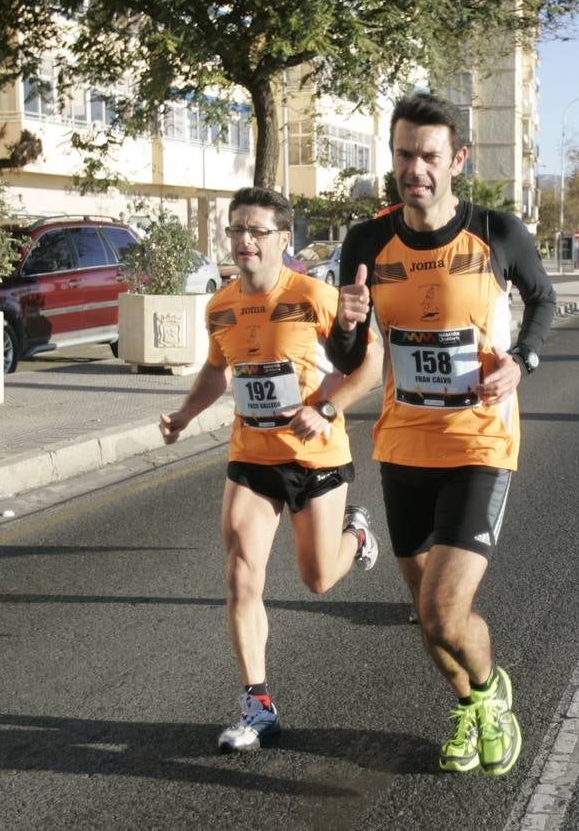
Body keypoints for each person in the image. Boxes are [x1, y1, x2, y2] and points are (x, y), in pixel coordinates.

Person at [328, 92, 556, 777]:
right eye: (404, 155)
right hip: (403, 446)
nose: (414, 169)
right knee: (427, 616)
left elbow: (543, 299)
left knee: (444, 611)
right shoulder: (366, 242)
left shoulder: (496, 231)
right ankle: (468, 706)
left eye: (429, 156)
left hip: (480, 443)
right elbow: (348, 355)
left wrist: (522, 361)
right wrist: (345, 324)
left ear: (457, 160)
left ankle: (490, 694)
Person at [159, 186, 384, 753]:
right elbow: (217, 370)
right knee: (241, 574)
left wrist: (325, 408)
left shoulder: (313, 295)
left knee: (317, 578)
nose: (245, 241)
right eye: (236, 229)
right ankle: (257, 705)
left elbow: (371, 364)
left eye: (257, 231)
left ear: (284, 239)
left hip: (315, 454)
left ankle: (356, 535)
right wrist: (184, 416)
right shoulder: (220, 306)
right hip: (252, 455)